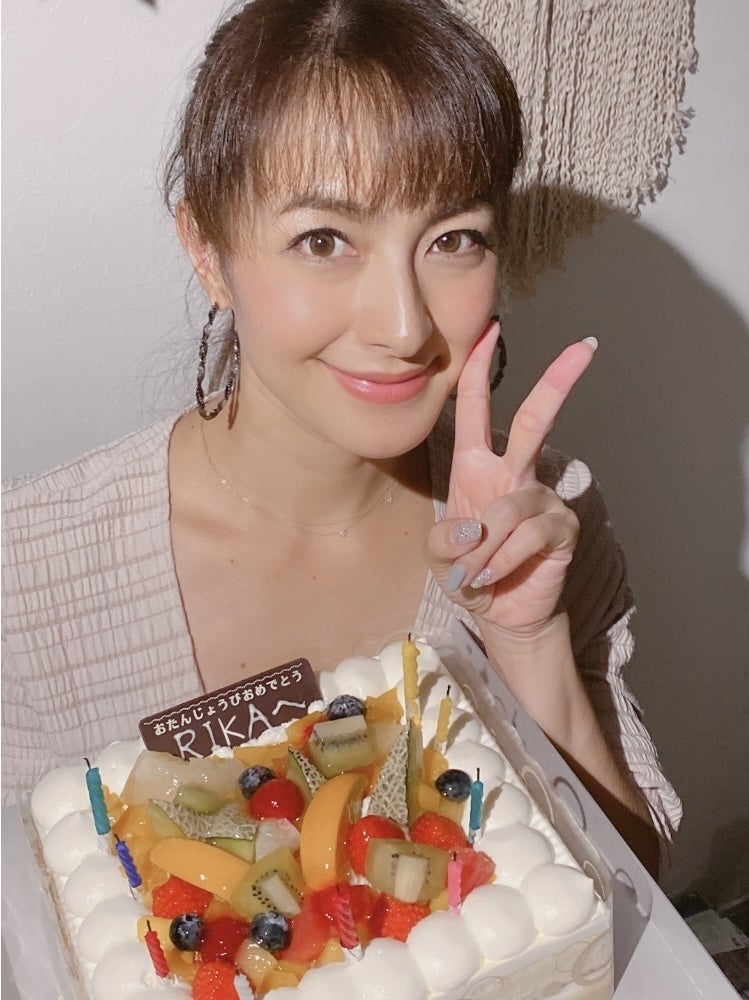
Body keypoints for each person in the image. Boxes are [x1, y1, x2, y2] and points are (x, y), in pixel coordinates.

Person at [1, 0, 680, 876]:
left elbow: (631, 900)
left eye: (453, 239)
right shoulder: (28, 574)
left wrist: (526, 640)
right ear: (207, 251)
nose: (404, 326)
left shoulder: (541, 521)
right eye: (323, 240)